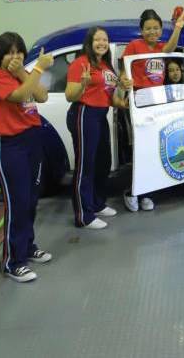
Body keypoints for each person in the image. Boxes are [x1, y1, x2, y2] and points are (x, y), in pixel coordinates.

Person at [0, 32, 56, 283]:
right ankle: (13, 261)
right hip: (9, 145)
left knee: (32, 198)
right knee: (17, 201)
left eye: (18, 52)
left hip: (32, 140)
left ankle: (27, 245)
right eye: (9, 52)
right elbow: (21, 96)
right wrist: (37, 68)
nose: (14, 57)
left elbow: (42, 96)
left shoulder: (21, 74)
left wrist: (25, 72)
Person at [122, 9, 184, 211]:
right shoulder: (134, 46)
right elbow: (124, 69)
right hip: (139, 100)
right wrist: (125, 82)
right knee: (139, 148)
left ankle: (147, 193)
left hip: (158, 101)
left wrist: (177, 27)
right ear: (141, 30)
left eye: (156, 28)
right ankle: (132, 191)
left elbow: (171, 47)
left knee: (153, 149)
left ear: (161, 29)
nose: (152, 32)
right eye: (148, 28)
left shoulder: (162, 47)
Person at [66, 26, 133, 229]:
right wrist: (83, 84)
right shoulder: (80, 63)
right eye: (97, 40)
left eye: (104, 40)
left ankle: (96, 203)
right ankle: (83, 215)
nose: (102, 43)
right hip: (83, 114)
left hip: (100, 115)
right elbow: (70, 95)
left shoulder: (106, 66)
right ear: (89, 42)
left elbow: (112, 99)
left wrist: (123, 87)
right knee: (85, 166)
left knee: (102, 163)